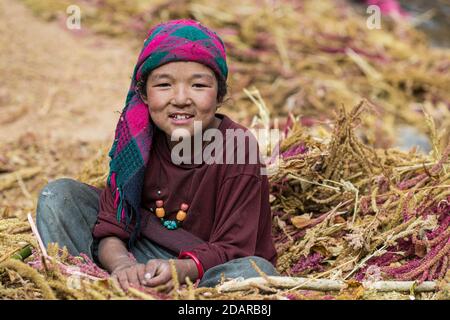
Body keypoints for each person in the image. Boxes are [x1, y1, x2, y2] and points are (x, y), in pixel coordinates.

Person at [36, 19, 278, 291]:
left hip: (207, 270)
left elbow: (236, 247)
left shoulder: (238, 147)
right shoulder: (137, 142)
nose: (181, 98)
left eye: (198, 86)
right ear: (144, 93)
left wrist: (183, 268)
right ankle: (89, 285)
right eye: (164, 85)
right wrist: (123, 266)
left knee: (254, 270)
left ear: (220, 95)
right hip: (141, 259)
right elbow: (113, 226)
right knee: (59, 196)